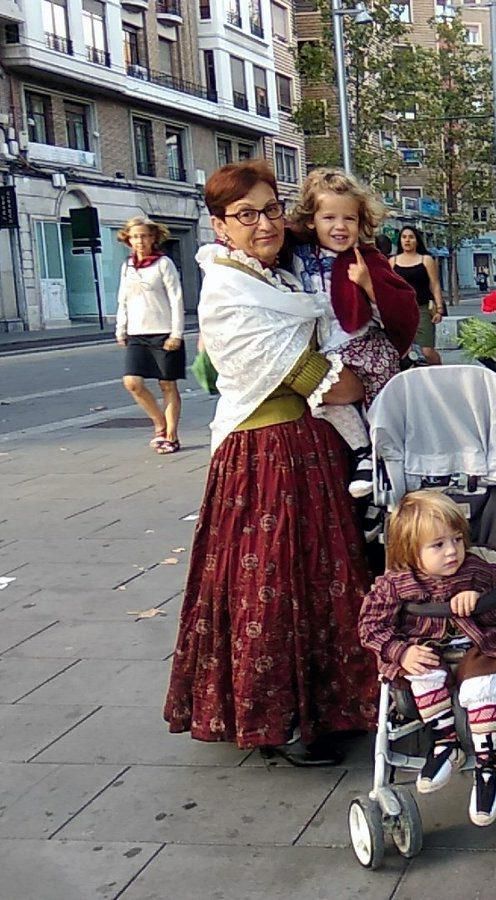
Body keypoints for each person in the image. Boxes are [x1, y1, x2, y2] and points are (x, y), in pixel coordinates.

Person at [163, 160, 377, 766]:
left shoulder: (272, 277)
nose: (264, 224)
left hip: (304, 446)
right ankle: (274, 721)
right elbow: (307, 375)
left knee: (321, 578)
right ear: (218, 224)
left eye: (271, 210)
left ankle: (328, 706)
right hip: (263, 452)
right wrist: (364, 383)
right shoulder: (230, 288)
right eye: (247, 214)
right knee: (271, 584)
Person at [358, 491, 496, 827]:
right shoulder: (396, 583)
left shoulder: (478, 570)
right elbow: (369, 625)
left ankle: (488, 762)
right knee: (423, 671)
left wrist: (481, 601)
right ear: (410, 551)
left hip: (478, 647)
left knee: (480, 684)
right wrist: (400, 651)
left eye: (458, 540)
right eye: (438, 545)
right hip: (425, 650)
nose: (452, 551)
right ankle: (444, 742)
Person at [290, 168, 419, 497]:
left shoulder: (367, 259)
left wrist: (367, 284)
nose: (339, 226)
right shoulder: (299, 257)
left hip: (362, 345)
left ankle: (381, 463)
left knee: (376, 409)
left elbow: (401, 306)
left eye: (349, 219)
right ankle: (364, 453)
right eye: (329, 217)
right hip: (327, 349)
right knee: (322, 400)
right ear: (311, 221)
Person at [115, 215, 186, 455]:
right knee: (132, 383)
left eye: (144, 236)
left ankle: (171, 436)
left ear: (153, 237)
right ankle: (159, 423)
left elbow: (176, 299)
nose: (139, 241)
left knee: (167, 384)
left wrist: (176, 333)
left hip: (164, 332)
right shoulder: (127, 266)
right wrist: (120, 328)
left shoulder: (163, 263)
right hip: (137, 333)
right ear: (128, 240)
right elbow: (122, 299)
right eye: (135, 237)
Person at [390, 225, 445, 365]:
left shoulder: (426, 260)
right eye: (404, 237)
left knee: (427, 351)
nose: (407, 240)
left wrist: (439, 308)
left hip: (422, 309)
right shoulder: (392, 261)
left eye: (411, 237)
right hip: (400, 312)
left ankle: (440, 373)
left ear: (417, 240)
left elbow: (435, 284)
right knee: (405, 351)